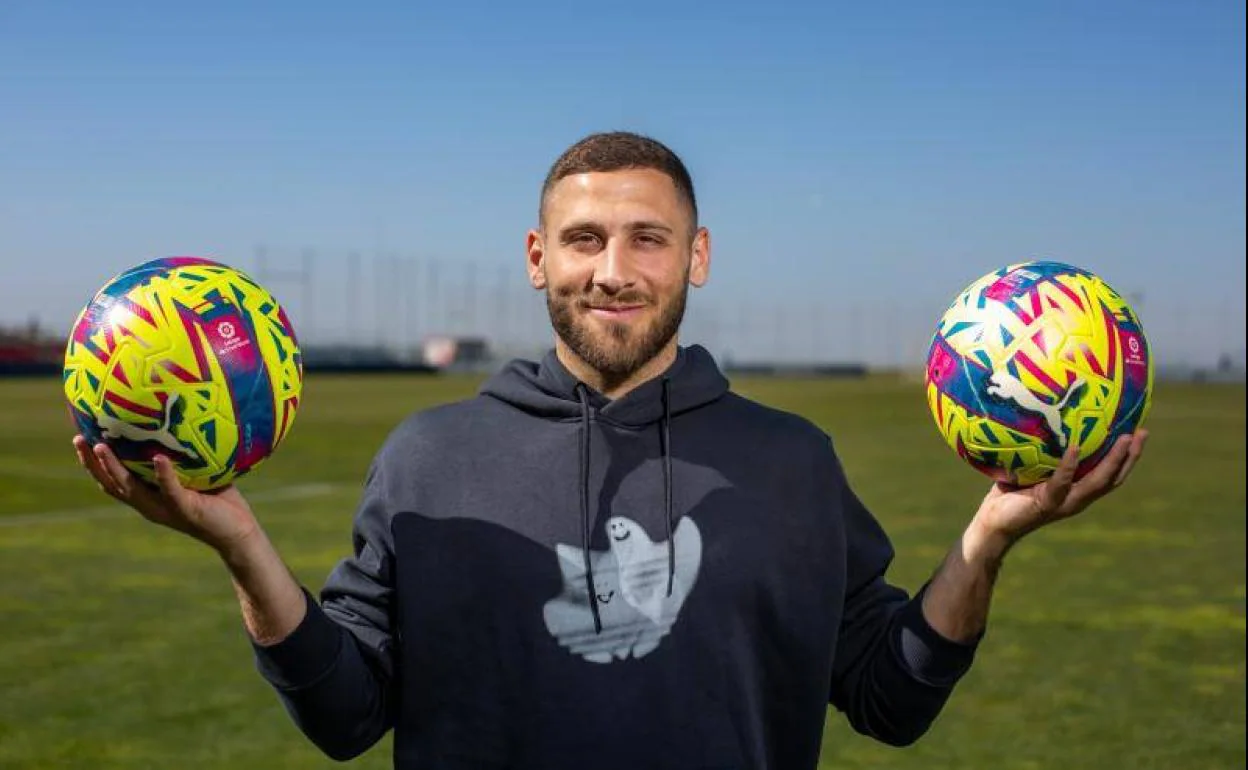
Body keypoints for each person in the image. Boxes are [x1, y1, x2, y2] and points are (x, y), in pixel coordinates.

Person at [72, 131, 1148, 770]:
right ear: (539, 258)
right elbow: (350, 715)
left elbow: (890, 700)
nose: (613, 269)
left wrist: (989, 540)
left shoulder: (793, 461)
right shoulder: (428, 457)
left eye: (649, 237)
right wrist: (241, 544)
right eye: (584, 239)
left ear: (698, 256)